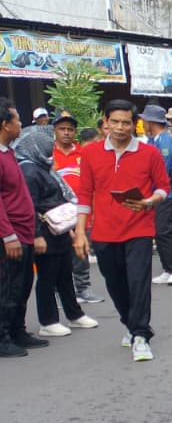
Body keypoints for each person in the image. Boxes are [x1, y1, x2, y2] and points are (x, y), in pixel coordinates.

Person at [73, 99, 172, 362]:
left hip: (139, 228)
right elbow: (84, 194)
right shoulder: (91, 153)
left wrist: (148, 202)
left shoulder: (148, 153)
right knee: (115, 283)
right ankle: (130, 323)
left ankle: (140, 335)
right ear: (105, 123)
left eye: (125, 122)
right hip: (103, 232)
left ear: (134, 124)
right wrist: (80, 232)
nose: (119, 127)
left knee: (139, 282)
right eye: (114, 122)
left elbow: (164, 187)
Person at [15, 125, 99, 337]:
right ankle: (48, 320)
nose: (50, 144)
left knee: (64, 274)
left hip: (58, 229)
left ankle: (74, 314)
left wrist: (69, 228)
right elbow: (30, 206)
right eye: (46, 141)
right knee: (47, 277)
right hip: (45, 231)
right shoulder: (29, 170)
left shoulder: (43, 167)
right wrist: (36, 235)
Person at [0, 98, 44, 357]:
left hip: (24, 232)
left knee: (23, 284)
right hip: (10, 235)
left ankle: (18, 329)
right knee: (7, 288)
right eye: (16, 119)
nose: (20, 124)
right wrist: (8, 235)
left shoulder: (9, 152)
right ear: (5, 124)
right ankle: (3, 335)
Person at [51, 111, 104, 304]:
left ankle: (83, 288)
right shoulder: (48, 153)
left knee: (80, 252)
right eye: (61, 129)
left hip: (81, 212)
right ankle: (60, 291)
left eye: (70, 129)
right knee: (59, 255)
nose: (66, 132)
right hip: (55, 214)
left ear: (75, 132)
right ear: (54, 131)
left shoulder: (84, 153)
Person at [140, 104, 172, 286]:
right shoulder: (155, 139)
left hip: (165, 192)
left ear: (151, 122)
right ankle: (169, 268)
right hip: (157, 192)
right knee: (161, 232)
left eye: (145, 121)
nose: (143, 123)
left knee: (163, 231)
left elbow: (162, 168)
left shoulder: (165, 141)